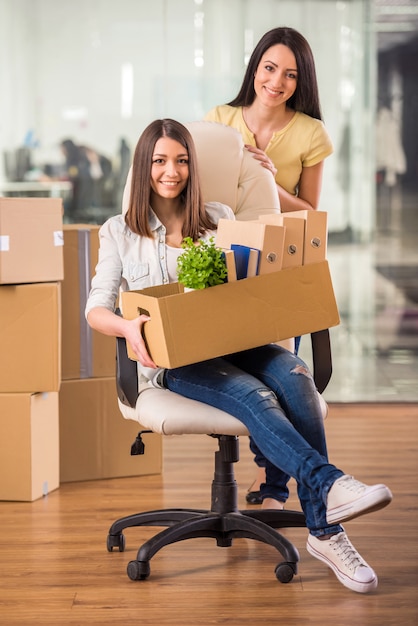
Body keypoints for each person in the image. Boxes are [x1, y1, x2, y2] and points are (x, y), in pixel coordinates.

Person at [85, 118, 392, 594]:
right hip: (173, 361)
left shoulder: (218, 215)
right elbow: (95, 309)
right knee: (256, 396)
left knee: (295, 377)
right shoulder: (118, 232)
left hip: (236, 341)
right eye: (161, 161)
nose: (172, 171)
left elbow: (245, 289)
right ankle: (329, 497)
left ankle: (325, 533)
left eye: (182, 161)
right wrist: (127, 327)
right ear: (144, 166)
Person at [204, 26, 334, 508]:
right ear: (255, 68)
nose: (276, 82)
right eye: (269, 68)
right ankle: (277, 471)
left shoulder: (310, 133)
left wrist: (267, 180)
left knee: (280, 372)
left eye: (290, 74)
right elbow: (200, 193)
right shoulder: (219, 119)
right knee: (240, 374)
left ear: (302, 81)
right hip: (223, 262)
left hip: (279, 266)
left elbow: (310, 212)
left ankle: (278, 487)